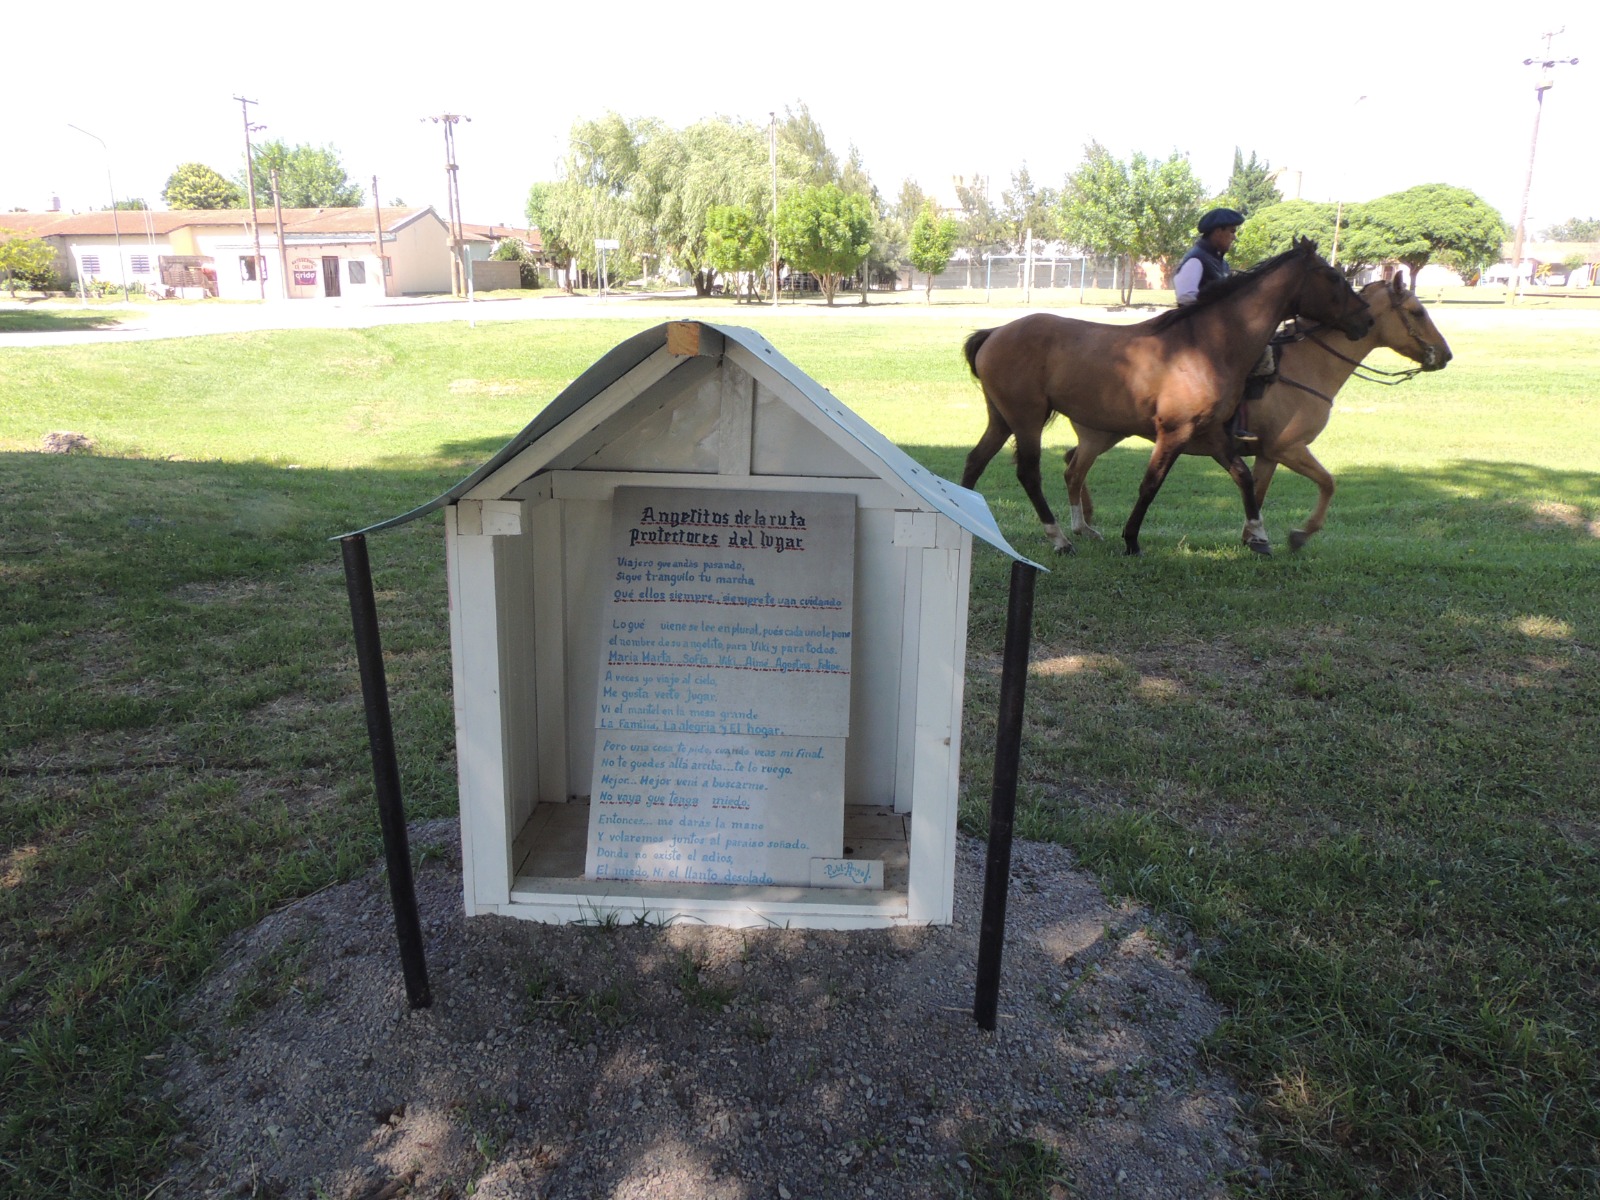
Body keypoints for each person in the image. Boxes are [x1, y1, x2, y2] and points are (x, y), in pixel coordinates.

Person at [1174, 207, 1264, 453]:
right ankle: (1232, 424)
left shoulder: (1220, 262)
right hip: (1198, 337)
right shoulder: (1197, 259)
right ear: (1217, 232)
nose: (1234, 237)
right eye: (1231, 231)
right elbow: (1185, 295)